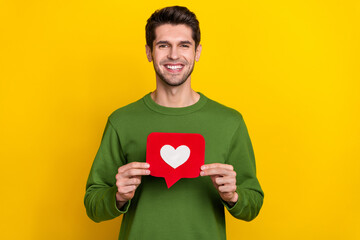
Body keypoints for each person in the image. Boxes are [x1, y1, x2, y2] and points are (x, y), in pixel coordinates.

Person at [84, 5, 264, 240]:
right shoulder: (121, 120)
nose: (174, 55)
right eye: (163, 45)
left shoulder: (230, 122)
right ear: (149, 52)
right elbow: (93, 205)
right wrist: (117, 197)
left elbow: (253, 204)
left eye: (184, 45)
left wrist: (234, 197)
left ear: (197, 52)